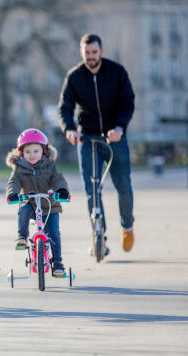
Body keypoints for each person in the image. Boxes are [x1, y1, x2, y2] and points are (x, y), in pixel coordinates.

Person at [58, 33, 135, 254]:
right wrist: (70, 130)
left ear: (101, 51)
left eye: (94, 52)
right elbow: (64, 107)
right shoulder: (74, 77)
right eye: (87, 53)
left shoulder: (117, 72)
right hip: (88, 138)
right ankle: (98, 236)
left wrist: (120, 127)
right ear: (81, 53)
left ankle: (127, 225)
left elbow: (127, 102)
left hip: (114, 138)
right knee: (92, 189)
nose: (91, 57)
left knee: (124, 187)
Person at [5, 128, 70, 276]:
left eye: (36, 151)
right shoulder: (19, 168)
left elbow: (58, 179)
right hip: (30, 203)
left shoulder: (50, 166)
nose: (32, 155)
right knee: (23, 210)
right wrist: (13, 194)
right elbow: (13, 182)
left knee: (53, 233)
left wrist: (61, 191)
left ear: (44, 151)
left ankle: (58, 262)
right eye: (28, 152)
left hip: (50, 206)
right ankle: (22, 237)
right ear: (21, 153)